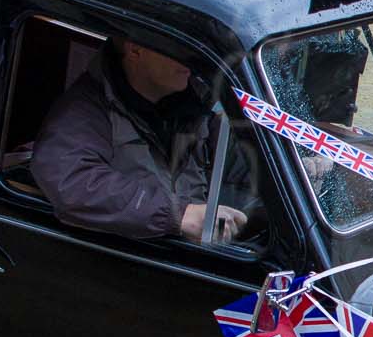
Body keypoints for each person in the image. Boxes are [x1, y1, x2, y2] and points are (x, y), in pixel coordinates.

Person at [32, 36, 247, 244]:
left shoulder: (197, 107)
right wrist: (179, 215)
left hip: (195, 254)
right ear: (135, 50)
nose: (191, 57)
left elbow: (243, 166)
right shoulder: (84, 111)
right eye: (179, 47)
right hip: (120, 262)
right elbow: (73, 182)